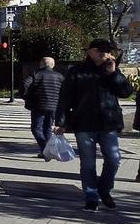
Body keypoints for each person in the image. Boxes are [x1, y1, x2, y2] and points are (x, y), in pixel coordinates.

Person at [54, 39, 134, 211]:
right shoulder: (77, 72)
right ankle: (91, 196)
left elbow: (126, 92)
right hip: (84, 123)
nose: (104, 53)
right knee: (88, 163)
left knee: (114, 159)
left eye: (107, 50)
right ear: (90, 52)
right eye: (100, 50)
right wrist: (61, 122)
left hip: (109, 124)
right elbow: (65, 98)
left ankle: (104, 190)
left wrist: (114, 73)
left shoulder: (111, 70)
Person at [22, 57, 64, 157]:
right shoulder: (59, 76)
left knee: (36, 128)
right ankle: (46, 152)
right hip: (54, 106)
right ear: (53, 65)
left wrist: (27, 97)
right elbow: (65, 91)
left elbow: (25, 84)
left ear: (41, 64)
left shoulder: (36, 74)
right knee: (47, 129)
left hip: (38, 105)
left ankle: (45, 148)